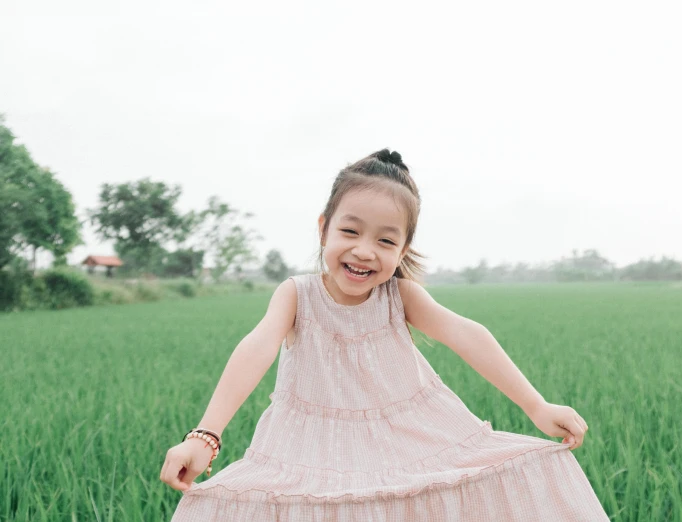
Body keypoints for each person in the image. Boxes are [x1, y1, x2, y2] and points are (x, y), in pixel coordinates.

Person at [161, 148, 609, 521]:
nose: (363, 251)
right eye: (350, 231)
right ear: (323, 228)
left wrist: (536, 405)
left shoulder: (401, 297)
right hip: (312, 449)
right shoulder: (297, 294)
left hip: (413, 439)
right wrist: (205, 436)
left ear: (403, 250)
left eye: (385, 241)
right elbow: (256, 349)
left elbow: (466, 334)